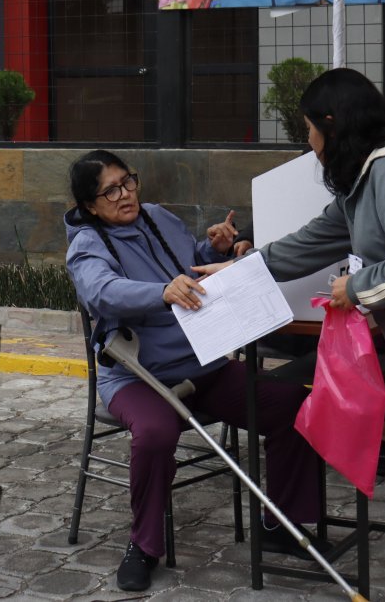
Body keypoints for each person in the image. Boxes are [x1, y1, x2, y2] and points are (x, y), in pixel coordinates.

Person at [199, 68, 385, 601]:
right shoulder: (363, 182)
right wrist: (241, 269)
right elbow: (311, 242)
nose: (310, 144)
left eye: (310, 130)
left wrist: (354, 289)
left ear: (334, 126)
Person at [64, 149, 329, 592]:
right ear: (90, 205)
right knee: (155, 433)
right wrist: (160, 293)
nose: (125, 194)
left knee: (291, 405)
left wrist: (218, 248)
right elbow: (102, 292)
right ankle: (144, 546)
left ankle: (280, 521)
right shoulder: (87, 245)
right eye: (110, 191)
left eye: (128, 181)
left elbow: (190, 266)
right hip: (136, 376)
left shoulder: (158, 218)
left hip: (200, 362)